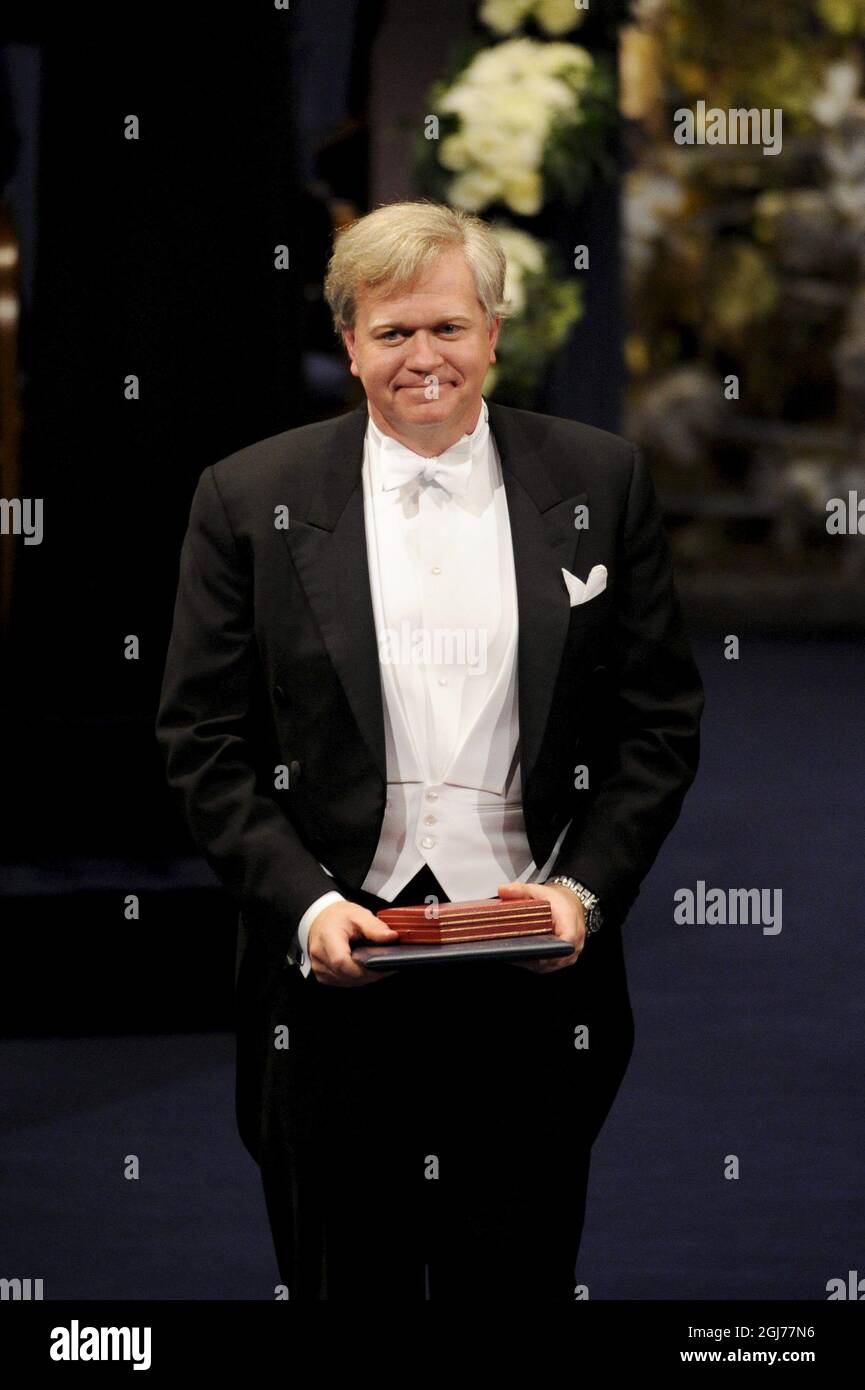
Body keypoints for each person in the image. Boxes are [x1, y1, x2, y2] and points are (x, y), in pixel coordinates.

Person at [156, 200, 705, 1300]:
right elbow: (202, 739)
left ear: (494, 333)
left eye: (448, 327)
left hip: (533, 972)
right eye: (393, 331)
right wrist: (304, 908)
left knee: (515, 1280)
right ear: (348, 343)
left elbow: (657, 725)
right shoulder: (247, 496)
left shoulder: (601, 481)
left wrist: (585, 896)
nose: (425, 358)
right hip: (331, 977)